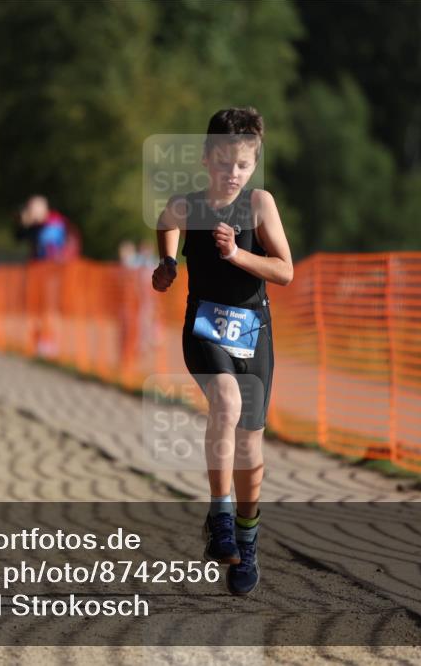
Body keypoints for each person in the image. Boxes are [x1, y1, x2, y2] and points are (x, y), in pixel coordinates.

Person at [151, 107, 293, 595]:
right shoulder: (188, 204)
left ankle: (247, 541)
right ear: (207, 159)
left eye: (244, 165)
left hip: (254, 331)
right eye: (225, 163)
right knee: (227, 403)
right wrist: (168, 261)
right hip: (205, 327)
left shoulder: (259, 204)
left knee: (251, 446)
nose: (234, 173)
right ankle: (221, 516)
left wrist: (236, 254)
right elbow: (166, 221)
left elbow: (285, 270)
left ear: (254, 164)